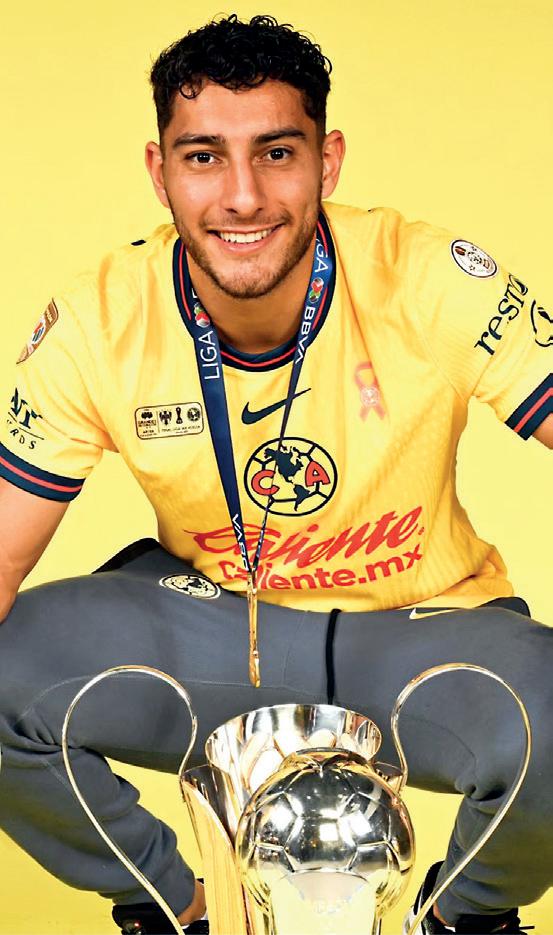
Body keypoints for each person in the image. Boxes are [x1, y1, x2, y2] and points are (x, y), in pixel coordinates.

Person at [0, 13, 551, 935]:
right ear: (159, 172)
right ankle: (183, 912)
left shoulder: (428, 275)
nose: (242, 196)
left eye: (276, 153)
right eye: (204, 157)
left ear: (327, 162)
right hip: (214, 628)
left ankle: (461, 919)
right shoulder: (101, 319)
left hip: (417, 631)